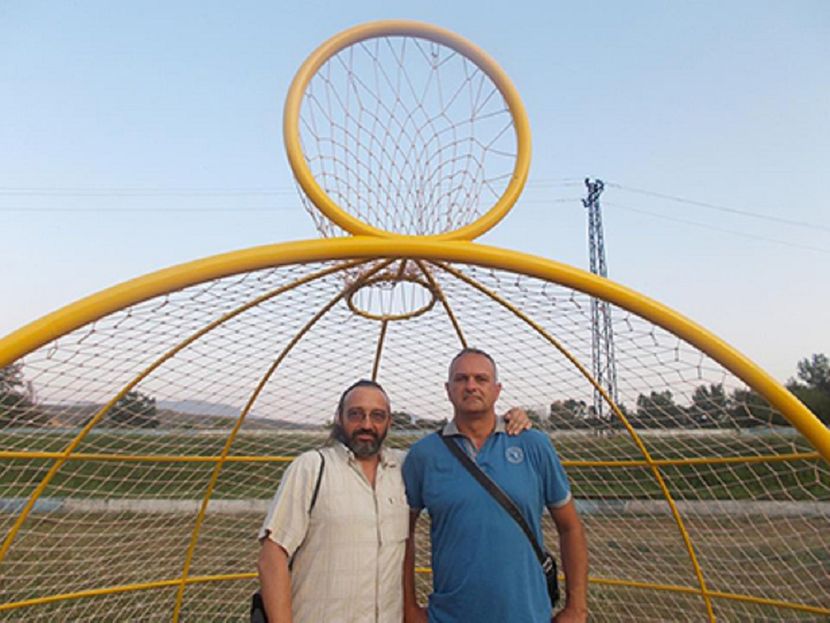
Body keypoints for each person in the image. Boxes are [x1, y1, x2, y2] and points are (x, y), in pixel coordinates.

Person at [257, 378, 531, 622]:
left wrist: (508, 420)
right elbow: (273, 554)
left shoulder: (406, 466)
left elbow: (464, 464)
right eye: (356, 414)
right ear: (339, 418)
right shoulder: (311, 468)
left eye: (377, 416)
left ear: (389, 422)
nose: (367, 424)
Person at [402, 348, 589, 623]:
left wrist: (577, 608)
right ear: (448, 389)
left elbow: (570, 527)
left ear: (497, 389)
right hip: (450, 616)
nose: (471, 386)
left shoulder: (533, 444)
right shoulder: (423, 455)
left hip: (528, 614)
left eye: (481, 379)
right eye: (461, 378)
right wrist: (409, 608)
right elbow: (401, 535)